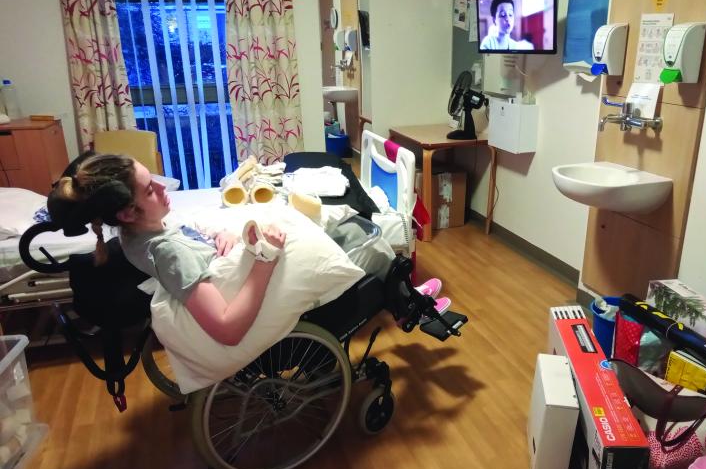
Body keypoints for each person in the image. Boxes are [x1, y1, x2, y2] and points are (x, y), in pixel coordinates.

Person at [54, 153, 450, 346]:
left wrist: (214, 235)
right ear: (126, 212)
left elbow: (187, 241)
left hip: (248, 266)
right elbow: (227, 329)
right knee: (375, 244)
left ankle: (404, 297)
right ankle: (406, 305)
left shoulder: (138, 237)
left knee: (342, 226)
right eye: (149, 188)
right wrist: (264, 259)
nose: (162, 186)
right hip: (269, 287)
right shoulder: (168, 253)